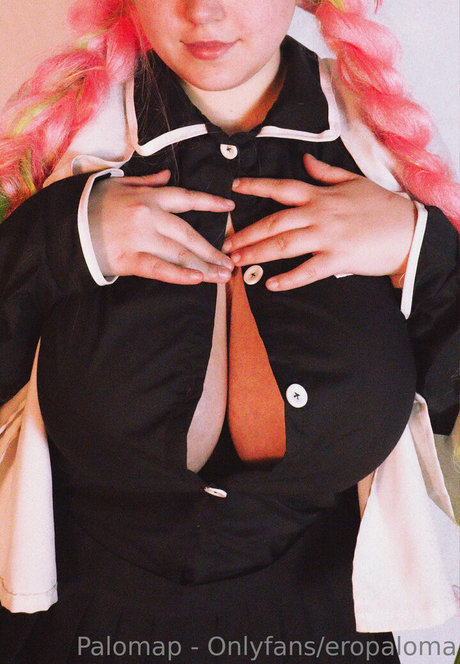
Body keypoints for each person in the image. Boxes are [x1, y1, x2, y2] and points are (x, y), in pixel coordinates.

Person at [0, 0, 458, 662]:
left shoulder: (387, 151)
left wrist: (419, 248)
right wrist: (56, 241)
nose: (203, 11)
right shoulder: (53, 147)